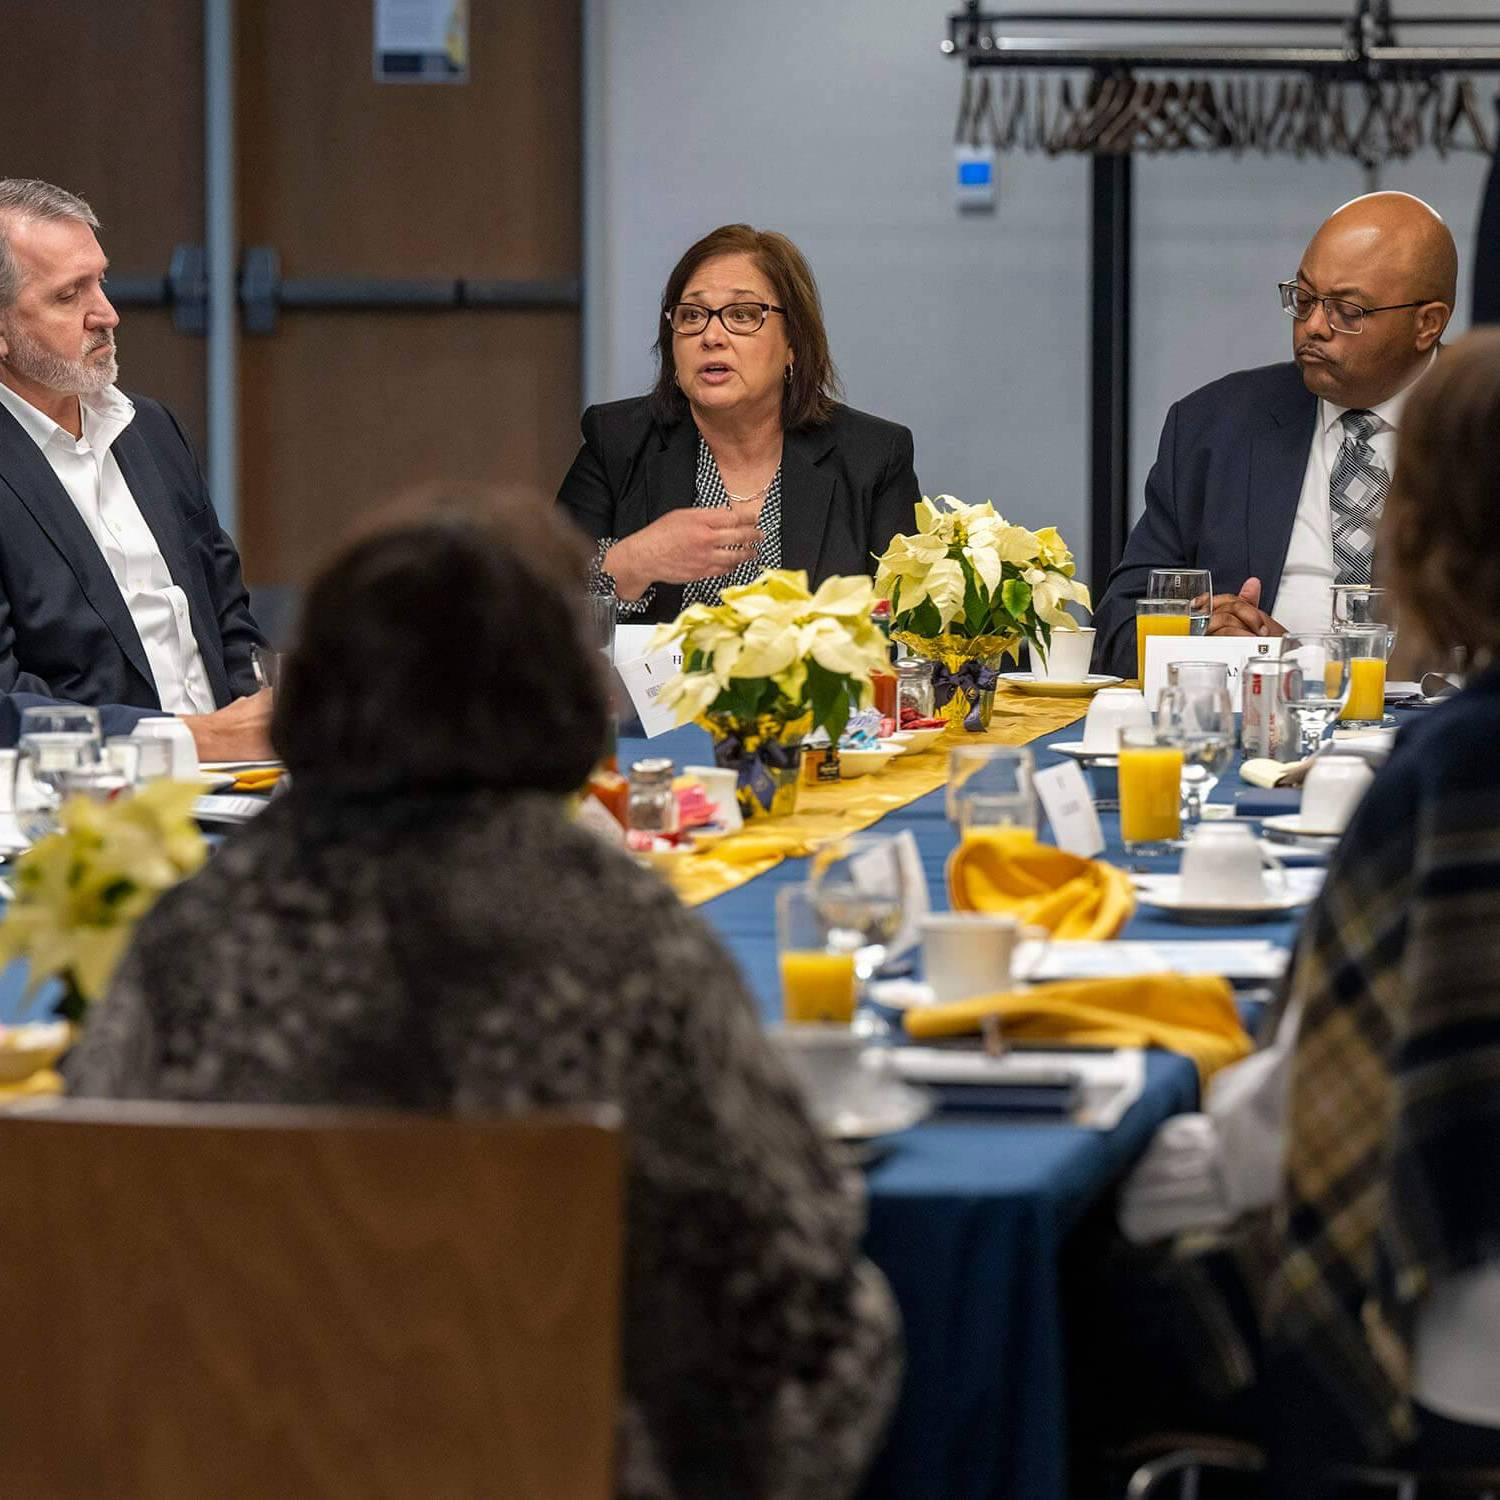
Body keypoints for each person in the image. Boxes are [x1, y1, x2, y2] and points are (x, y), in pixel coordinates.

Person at [62, 485, 902, 1500]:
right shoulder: (621, 939)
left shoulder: (192, 937)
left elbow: (86, 1244)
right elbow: (795, 1295)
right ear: (559, 692)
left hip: (230, 1460)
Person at [1114, 330, 1500, 1491]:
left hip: (1451, 1344)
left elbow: (1314, 1121)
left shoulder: (1458, 770)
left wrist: (1116, 1173)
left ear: (1427, 532)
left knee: (1066, 1293)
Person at [1091, 192, 1456, 679]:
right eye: (1304, 299)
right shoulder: (1214, 427)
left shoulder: (1480, 429)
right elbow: (1115, 631)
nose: (1313, 326)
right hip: (1246, 717)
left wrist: (1306, 663)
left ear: (1427, 324)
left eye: (1347, 311)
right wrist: (1200, 634)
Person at [0, 178, 270, 756]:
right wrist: (195, 739)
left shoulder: (151, 428)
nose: (107, 314)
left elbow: (228, 617)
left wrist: (265, 719)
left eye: (100, 280)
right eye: (69, 296)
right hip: (88, 796)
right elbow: (5, 708)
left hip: (235, 778)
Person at [557, 223, 921, 624]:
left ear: (793, 344)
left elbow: (904, 628)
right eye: (692, 315)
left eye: (742, 315)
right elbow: (542, 604)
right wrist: (636, 560)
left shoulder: (872, 457)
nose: (711, 336)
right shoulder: (617, 442)